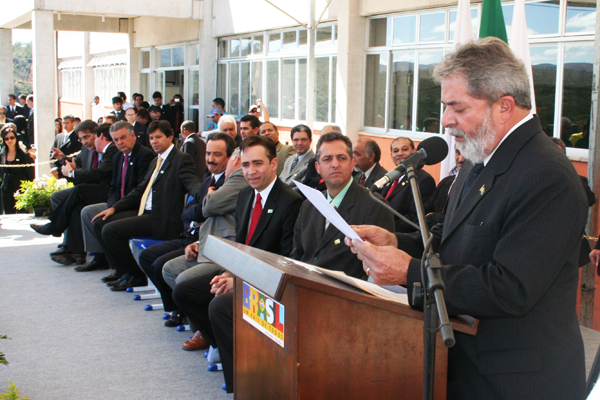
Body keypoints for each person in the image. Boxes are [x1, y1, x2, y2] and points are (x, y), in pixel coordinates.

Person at [346, 37, 588, 400]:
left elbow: (511, 288)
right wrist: (399, 244)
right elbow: (453, 235)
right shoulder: (479, 159)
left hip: (516, 383)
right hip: (468, 366)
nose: (446, 122)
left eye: (456, 108)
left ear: (504, 106)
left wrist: (409, 271)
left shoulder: (546, 175)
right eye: (445, 107)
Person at [172, 135, 303, 392]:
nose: (251, 171)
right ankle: (230, 350)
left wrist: (239, 281)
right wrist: (228, 272)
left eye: (258, 163)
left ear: (274, 163)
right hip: (243, 275)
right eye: (245, 165)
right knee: (184, 291)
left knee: (219, 306)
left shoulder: (290, 201)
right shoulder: (245, 195)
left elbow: (286, 260)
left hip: (272, 284)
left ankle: (239, 385)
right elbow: (241, 245)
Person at [91, 120, 203, 291]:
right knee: (100, 222)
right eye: (151, 138)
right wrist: (115, 208)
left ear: (171, 137)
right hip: (145, 213)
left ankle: (135, 275)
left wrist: (206, 194)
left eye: (158, 137)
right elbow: (139, 190)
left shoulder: (181, 159)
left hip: (161, 219)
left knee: (110, 231)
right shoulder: (156, 160)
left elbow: (193, 184)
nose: (154, 142)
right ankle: (123, 272)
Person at [77, 121, 154, 272]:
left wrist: (116, 208)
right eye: (116, 140)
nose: (120, 142)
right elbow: (113, 187)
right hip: (118, 205)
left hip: (135, 207)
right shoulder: (118, 157)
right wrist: (112, 206)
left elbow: (139, 191)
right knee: (92, 216)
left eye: (123, 138)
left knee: (102, 224)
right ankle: (113, 266)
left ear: (133, 136)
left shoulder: (145, 155)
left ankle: (126, 271)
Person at [381, 137, 435, 232]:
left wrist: (386, 228)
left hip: (399, 236)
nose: (400, 153)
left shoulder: (423, 179)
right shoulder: (390, 176)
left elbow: (415, 216)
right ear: (391, 156)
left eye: (405, 149)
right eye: (395, 151)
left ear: (414, 152)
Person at [0, 124, 34, 214]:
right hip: (7, 187)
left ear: (16, 138)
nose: (9, 140)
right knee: (8, 214)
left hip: (20, 186)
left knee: (22, 213)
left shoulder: (23, 155)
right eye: (6, 138)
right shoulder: (1, 155)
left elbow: (29, 173)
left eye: (12, 137)